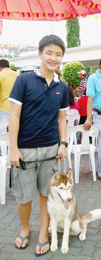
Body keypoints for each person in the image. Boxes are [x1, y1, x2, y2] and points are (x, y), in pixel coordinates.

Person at [8, 35, 69, 256]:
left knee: (47, 195)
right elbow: (14, 116)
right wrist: (13, 148)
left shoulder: (62, 86)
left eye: (58, 54)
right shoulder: (23, 80)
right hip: (24, 151)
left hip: (50, 150)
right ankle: (25, 229)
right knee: (24, 197)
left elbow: (62, 118)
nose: (53, 58)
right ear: (40, 54)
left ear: (62, 57)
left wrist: (63, 143)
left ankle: (44, 232)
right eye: (49, 53)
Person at [0, 59, 18, 133]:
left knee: (3, 128)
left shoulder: (0, 75)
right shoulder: (17, 75)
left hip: (4, 105)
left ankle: (4, 144)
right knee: (16, 126)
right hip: (18, 105)